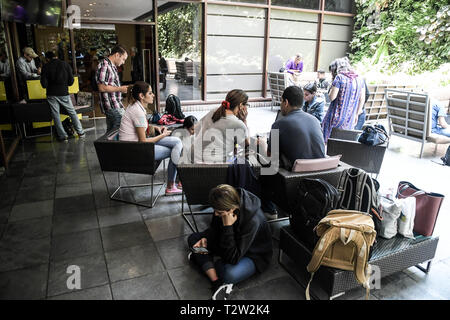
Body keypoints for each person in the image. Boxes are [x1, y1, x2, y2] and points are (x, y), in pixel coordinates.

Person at [187, 184, 273, 300]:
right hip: (229, 243)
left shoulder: (252, 221)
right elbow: (214, 228)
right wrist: (206, 238)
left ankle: (203, 259)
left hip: (252, 255)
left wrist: (227, 226)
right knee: (192, 238)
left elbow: (232, 258)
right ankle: (216, 281)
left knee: (228, 273)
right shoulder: (223, 207)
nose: (216, 214)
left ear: (232, 209)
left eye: (219, 213)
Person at [119, 81, 183, 195]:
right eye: (150, 93)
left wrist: (156, 128)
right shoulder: (137, 111)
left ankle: (174, 183)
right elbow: (143, 141)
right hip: (135, 151)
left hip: (133, 146)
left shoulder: (135, 107)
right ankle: (173, 184)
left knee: (177, 142)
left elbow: (141, 128)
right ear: (141, 96)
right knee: (175, 150)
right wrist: (162, 135)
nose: (153, 95)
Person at [193, 89, 249, 163]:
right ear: (241, 105)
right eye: (247, 105)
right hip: (217, 167)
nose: (247, 107)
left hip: (195, 161)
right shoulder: (238, 124)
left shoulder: (214, 111)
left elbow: (196, 128)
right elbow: (247, 144)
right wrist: (244, 121)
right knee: (244, 161)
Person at [40, 51, 85, 142]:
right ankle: (80, 132)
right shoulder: (65, 64)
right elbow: (71, 81)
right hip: (64, 93)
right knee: (72, 112)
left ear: (47, 59)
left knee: (55, 115)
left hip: (51, 94)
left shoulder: (45, 66)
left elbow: (44, 84)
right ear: (56, 56)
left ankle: (63, 136)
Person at [322, 57, 366, 143]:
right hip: (350, 118)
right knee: (343, 141)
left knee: (329, 140)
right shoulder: (360, 79)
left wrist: (331, 86)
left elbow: (331, 97)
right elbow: (362, 98)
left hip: (335, 118)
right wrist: (357, 114)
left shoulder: (339, 77)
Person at [96, 45, 129, 132]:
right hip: (112, 106)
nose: (124, 62)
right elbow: (102, 87)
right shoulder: (105, 65)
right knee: (119, 132)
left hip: (114, 105)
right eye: (123, 59)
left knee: (111, 133)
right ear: (117, 55)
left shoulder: (111, 66)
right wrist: (120, 89)